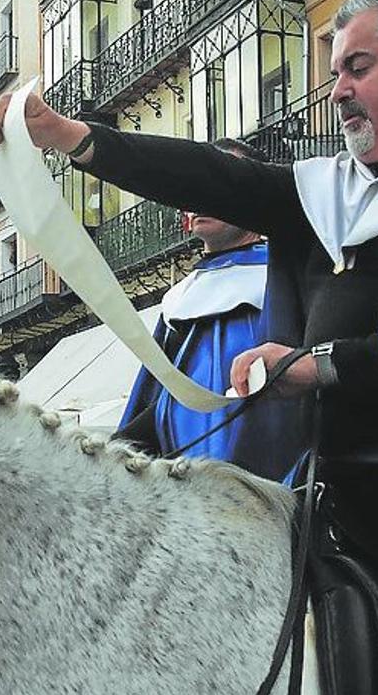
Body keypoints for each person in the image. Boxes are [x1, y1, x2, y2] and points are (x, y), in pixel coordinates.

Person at [0, 0, 378, 695]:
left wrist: (318, 368)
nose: (338, 91)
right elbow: (219, 178)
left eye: (357, 67)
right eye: (333, 74)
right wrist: (70, 136)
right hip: (329, 505)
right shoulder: (332, 195)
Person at [115, 139, 307, 481]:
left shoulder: (291, 279)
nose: (199, 198)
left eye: (217, 184)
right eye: (194, 187)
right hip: (186, 497)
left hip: (278, 493)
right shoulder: (179, 300)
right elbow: (156, 403)